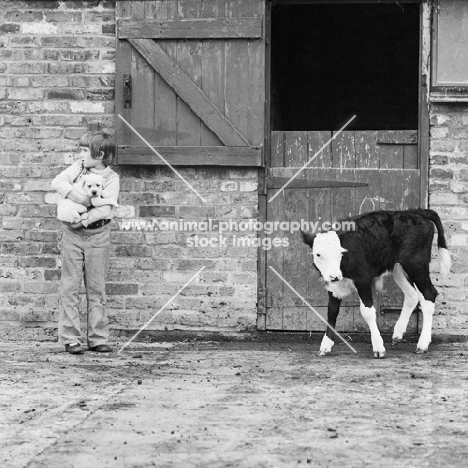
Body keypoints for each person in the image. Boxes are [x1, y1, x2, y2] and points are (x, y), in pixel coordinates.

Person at [52, 131, 120, 355]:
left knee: (96, 288)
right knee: (69, 286)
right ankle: (71, 338)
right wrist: (80, 199)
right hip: (71, 237)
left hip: (97, 235)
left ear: (99, 154)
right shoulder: (78, 168)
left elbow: (105, 209)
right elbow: (60, 182)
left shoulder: (112, 179)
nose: (80, 154)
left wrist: (81, 222)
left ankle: (98, 337)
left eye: (84, 150)